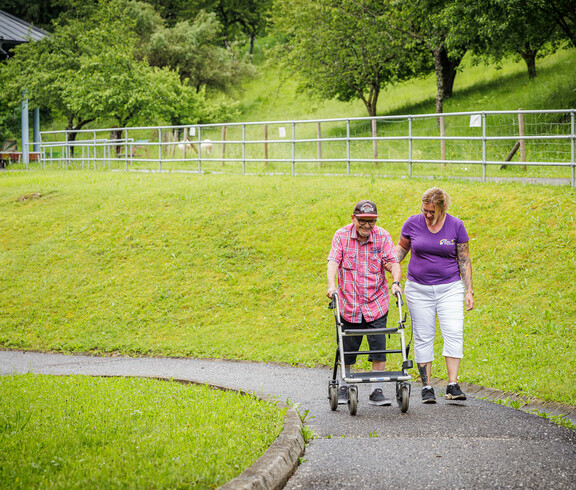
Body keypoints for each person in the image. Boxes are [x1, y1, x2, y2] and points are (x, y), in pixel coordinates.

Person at [394, 187, 474, 403]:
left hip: (449, 288)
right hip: (418, 288)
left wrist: (469, 290)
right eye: (425, 210)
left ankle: (452, 384)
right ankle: (427, 386)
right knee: (423, 335)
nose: (428, 215)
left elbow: (464, 259)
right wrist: (390, 264)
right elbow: (401, 248)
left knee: (454, 331)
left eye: (432, 211)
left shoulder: (456, 225)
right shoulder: (413, 223)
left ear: (443, 207)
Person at [327, 200, 402, 406]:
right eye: (362, 221)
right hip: (349, 302)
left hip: (375, 302)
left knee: (379, 346)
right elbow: (333, 262)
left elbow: (393, 262)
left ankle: (376, 390)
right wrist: (331, 286)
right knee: (347, 347)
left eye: (371, 222)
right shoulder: (341, 235)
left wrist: (395, 282)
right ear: (353, 218)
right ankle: (344, 385)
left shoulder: (383, 236)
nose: (367, 226)